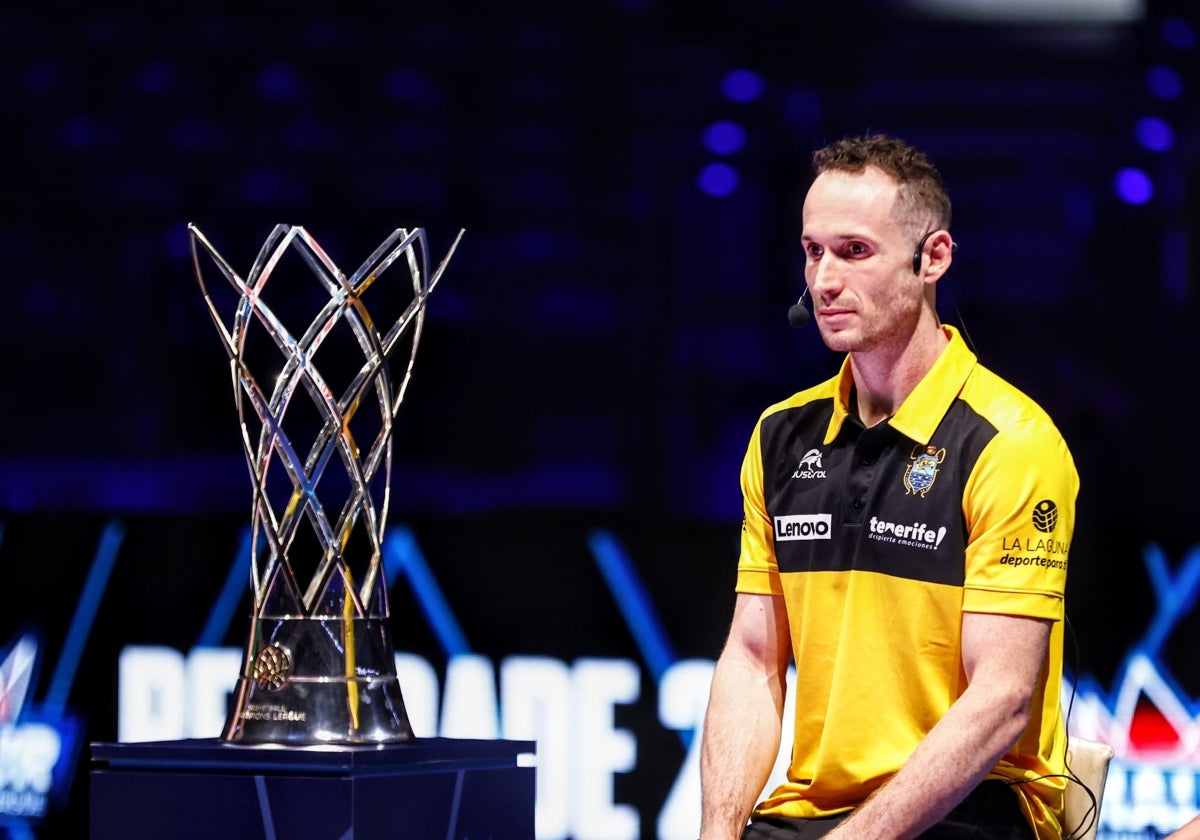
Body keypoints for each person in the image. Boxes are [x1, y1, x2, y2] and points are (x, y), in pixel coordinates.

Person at [698, 134, 1079, 840]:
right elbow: (752, 660)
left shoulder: (1010, 442)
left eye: (854, 251)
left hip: (972, 813)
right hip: (810, 814)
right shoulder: (781, 435)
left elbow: (1000, 700)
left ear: (932, 258)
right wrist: (717, 834)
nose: (823, 281)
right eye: (813, 252)